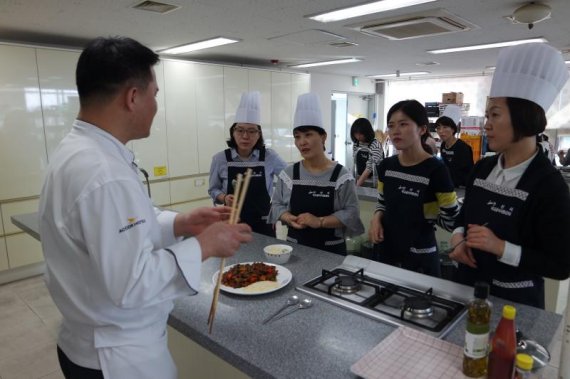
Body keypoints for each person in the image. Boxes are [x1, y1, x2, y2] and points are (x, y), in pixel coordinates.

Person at [38, 37, 253, 379]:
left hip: (85, 343)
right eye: (155, 95)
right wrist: (205, 245)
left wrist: (180, 223)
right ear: (133, 97)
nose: (156, 105)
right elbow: (131, 282)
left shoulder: (78, 152)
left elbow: (120, 229)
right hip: (117, 358)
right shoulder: (104, 173)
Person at [449, 43, 570, 308]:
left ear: (524, 118)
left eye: (494, 115)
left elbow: (560, 265)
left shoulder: (549, 186)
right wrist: (458, 237)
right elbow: (463, 215)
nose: (486, 125)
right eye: (486, 115)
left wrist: (502, 248)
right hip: (466, 290)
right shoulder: (482, 169)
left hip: (515, 304)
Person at [368, 100, 459, 277]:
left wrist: (427, 215)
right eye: (391, 125)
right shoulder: (386, 166)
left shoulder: (436, 170)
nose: (395, 131)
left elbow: (452, 220)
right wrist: (377, 218)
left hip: (421, 257)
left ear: (422, 129)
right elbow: (382, 203)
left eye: (403, 124)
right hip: (386, 251)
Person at [269, 93, 364, 255]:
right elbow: (276, 205)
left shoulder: (341, 175)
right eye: (297, 137)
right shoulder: (289, 174)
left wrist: (319, 221)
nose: (301, 142)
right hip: (295, 249)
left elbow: (351, 213)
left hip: (331, 251)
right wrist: (286, 217)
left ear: (323, 136)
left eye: (308, 135)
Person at [208, 91, 286, 237]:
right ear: (233, 132)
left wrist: (278, 205)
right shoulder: (220, 159)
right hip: (232, 222)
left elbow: (290, 179)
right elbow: (213, 189)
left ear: (259, 134)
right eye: (240, 130)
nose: (245, 136)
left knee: (264, 259)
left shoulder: (269, 157)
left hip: (263, 222)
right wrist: (224, 198)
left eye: (251, 131)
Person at [436, 105, 474, 187]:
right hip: (447, 184)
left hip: (461, 187)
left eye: (445, 127)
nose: (441, 131)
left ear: (453, 129)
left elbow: (466, 172)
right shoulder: (443, 145)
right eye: (438, 128)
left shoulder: (463, 148)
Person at [350, 117, 384, 186]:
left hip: (375, 180)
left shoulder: (375, 145)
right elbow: (355, 162)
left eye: (360, 134)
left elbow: (369, 168)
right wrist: (352, 177)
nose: (358, 136)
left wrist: (357, 185)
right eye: (356, 133)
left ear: (367, 132)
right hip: (361, 177)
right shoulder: (356, 144)